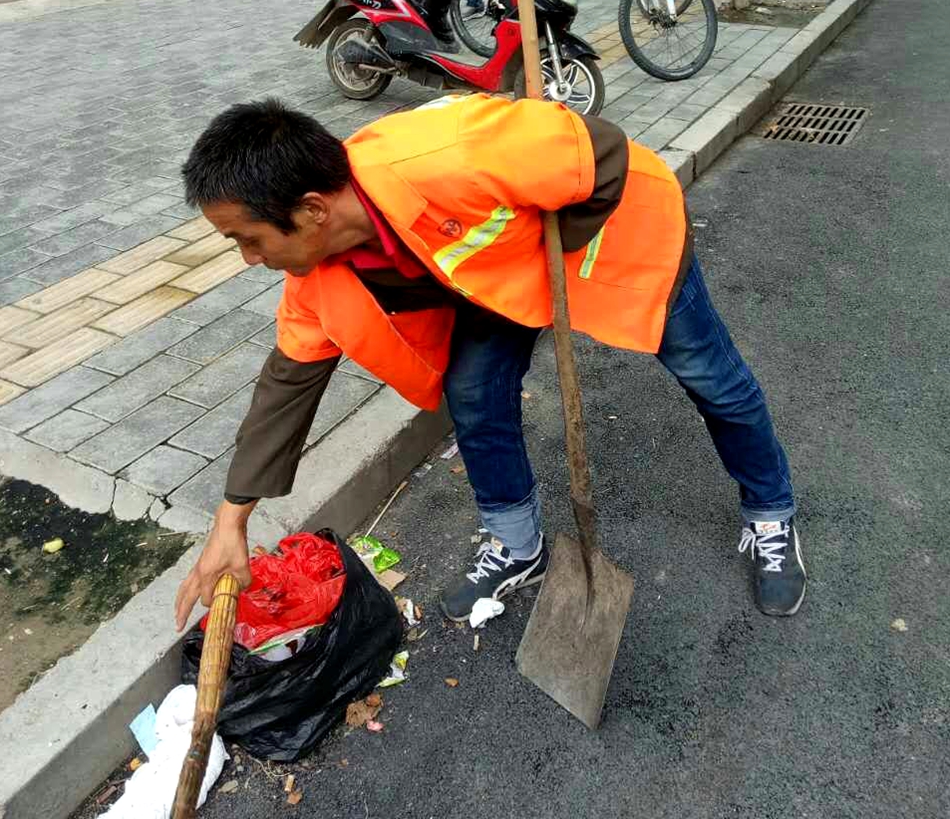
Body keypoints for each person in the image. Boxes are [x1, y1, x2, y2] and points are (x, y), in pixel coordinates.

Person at [173, 94, 807, 632]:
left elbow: (606, 152)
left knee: (713, 380)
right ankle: (517, 545)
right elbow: (286, 386)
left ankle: (770, 514)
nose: (249, 259)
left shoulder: (457, 153)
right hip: (499, 282)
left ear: (312, 209)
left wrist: (547, 252)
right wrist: (231, 521)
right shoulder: (315, 277)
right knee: (474, 391)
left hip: (621, 242)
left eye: (249, 239)